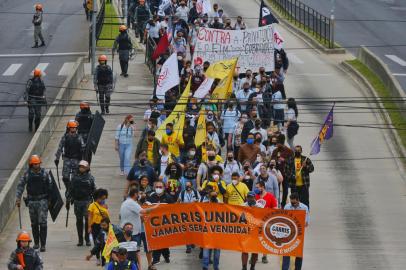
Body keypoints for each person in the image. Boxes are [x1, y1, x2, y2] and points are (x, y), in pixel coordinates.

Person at [15, 155, 52, 252]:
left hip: (42, 200)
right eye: (35, 164)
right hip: (31, 201)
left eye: (38, 163)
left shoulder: (45, 173)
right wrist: (18, 198)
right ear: (31, 164)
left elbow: (51, 186)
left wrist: (50, 200)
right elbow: (20, 185)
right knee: (34, 223)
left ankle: (43, 244)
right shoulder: (27, 174)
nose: (36, 165)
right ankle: (36, 243)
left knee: (43, 222)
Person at [66, 160, 96, 246]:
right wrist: (68, 200)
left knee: (87, 220)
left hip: (87, 201)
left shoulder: (90, 178)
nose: (81, 168)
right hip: (77, 202)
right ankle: (80, 239)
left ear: (87, 168)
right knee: (79, 220)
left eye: (83, 167)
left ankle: (87, 238)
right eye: (80, 167)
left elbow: (94, 190)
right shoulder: (74, 178)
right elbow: (70, 190)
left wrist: (96, 201)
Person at [147, 181, 175, 265]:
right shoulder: (151, 197)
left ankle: (166, 256)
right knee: (156, 241)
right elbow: (147, 208)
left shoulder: (168, 198)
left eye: (160, 187)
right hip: (154, 225)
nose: (158, 188)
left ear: (164, 188)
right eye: (157, 187)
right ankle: (156, 258)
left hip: (165, 224)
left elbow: (173, 210)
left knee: (164, 242)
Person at [55, 120, 85, 189]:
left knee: (75, 178)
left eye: (74, 127)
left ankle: (73, 191)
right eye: (72, 127)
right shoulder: (65, 137)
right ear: (69, 128)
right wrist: (57, 158)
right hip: (67, 160)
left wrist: (83, 160)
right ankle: (68, 190)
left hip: (76, 160)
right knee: (65, 178)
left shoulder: (79, 138)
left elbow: (83, 149)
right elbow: (60, 148)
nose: (73, 129)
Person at [282, 193, 309, 270]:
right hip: (288, 233)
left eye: (294, 202)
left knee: (298, 254)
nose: (292, 204)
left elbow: (306, 223)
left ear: (298, 200)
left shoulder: (304, 208)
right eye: (291, 202)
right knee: (286, 252)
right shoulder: (287, 207)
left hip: (299, 234)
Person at [87, 189, 110, 265]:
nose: (103, 200)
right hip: (95, 226)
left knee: (103, 243)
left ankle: (104, 257)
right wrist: (89, 227)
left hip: (104, 226)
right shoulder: (92, 205)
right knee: (96, 242)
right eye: (101, 198)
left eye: (104, 199)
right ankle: (97, 258)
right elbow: (90, 217)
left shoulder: (106, 206)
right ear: (97, 197)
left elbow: (107, 218)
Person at [271, 134, 293, 208]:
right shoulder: (275, 151)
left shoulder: (289, 151)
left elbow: (292, 162)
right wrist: (274, 161)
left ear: (282, 143)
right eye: (277, 143)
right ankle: (276, 203)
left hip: (285, 173)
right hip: (276, 173)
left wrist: (284, 160)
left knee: (285, 190)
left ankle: (283, 204)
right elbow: (271, 160)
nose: (277, 145)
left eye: (278, 143)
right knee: (276, 189)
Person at [177, 180, 200, 253]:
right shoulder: (182, 193)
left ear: (192, 186)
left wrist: (196, 202)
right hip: (185, 215)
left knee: (193, 229)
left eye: (189, 185)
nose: (188, 187)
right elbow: (178, 202)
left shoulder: (196, 193)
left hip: (194, 215)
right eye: (186, 186)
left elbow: (200, 201)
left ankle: (192, 241)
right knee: (187, 230)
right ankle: (188, 247)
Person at [202, 190, 221, 270]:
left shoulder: (220, 205)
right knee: (206, 254)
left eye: (215, 196)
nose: (214, 198)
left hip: (217, 233)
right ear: (209, 196)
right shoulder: (205, 205)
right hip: (207, 232)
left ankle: (216, 267)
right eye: (212, 196)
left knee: (216, 254)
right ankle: (205, 267)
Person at [241, 192, 258, 270]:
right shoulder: (242, 206)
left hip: (256, 232)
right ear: (246, 198)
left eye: (251, 197)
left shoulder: (260, 206)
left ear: (255, 198)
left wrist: (256, 208)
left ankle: (252, 266)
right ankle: (244, 267)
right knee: (245, 250)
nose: (250, 199)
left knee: (255, 251)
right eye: (248, 197)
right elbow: (240, 219)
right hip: (246, 231)